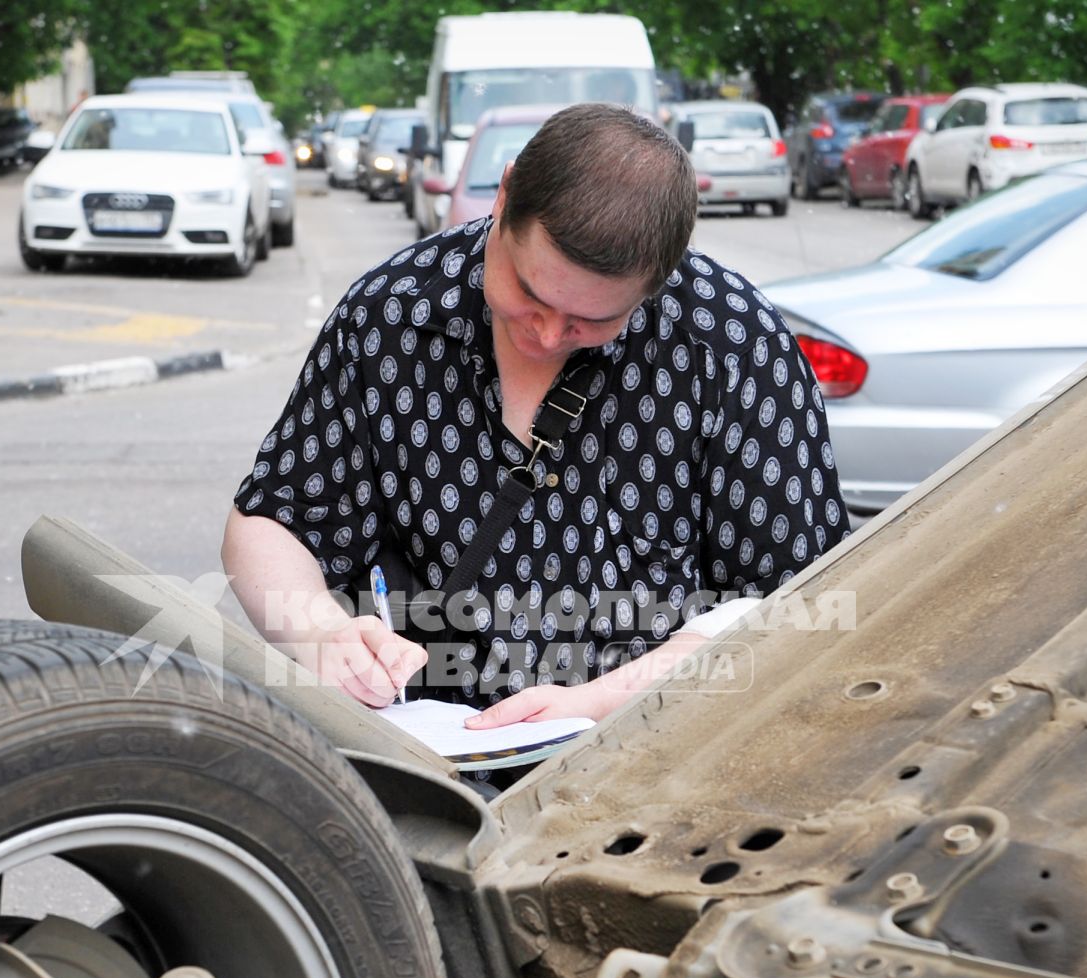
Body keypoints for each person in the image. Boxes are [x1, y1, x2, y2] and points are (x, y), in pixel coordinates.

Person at [223, 103, 846, 728]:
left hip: (657, 754)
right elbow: (274, 521)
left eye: (592, 321)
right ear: (504, 197)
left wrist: (606, 702)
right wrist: (321, 635)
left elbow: (804, 598)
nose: (547, 337)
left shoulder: (732, 340)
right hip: (427, 756)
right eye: (528, 293)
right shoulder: (392, 315)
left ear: (657, 280)